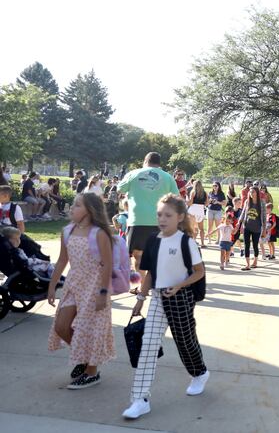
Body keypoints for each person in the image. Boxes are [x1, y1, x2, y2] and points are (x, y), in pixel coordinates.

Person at [123, 194, 209, 420]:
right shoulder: (153, 240)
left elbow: (199, 272)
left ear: (180, 217)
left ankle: (199, 373)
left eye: (168, 215)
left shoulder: (186, 242)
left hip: (181, 298)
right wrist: (140, 299)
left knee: (185, 341)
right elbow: (150, 273)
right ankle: (139, 399)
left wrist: (180, 285)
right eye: (159, 214)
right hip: (159, 299)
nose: (162, 219)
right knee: (148, 346)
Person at [46, 192, 116, 389]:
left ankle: (92, 372)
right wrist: (52, 286)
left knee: (91, 329)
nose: (71, 208)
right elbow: (62, 260)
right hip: (73, 284)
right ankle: (84, 360)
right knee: (61, 326)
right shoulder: (67, 231)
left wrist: (103, 292)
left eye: (77, 205)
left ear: (89, 210)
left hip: (94, 286)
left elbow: (107, 265)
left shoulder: (99, 233)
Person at [117, 152, 180, 284]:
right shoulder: (167, 177)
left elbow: (120, 189)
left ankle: (142, 286)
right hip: (160, 222)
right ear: (159, 163)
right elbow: (176, 198)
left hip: (137, 220)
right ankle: (152, 284)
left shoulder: (133, 174)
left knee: (137, 256)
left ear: (145, 161)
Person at [238, 186, 266, 270]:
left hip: (257, 227)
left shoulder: (261, 203)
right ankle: (247, 264)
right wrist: (239, 223)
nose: (251, 193)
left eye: (253, 192)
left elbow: (264, 216)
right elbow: (243, 213)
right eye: (250, 192)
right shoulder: (247, 202)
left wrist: (264, 229)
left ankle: (255, 262)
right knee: (246, 245)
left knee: (255, 245)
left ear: (257, 193)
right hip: (247, 226)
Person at [187, 181, 208, 248]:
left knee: (192, 228)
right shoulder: (205, 193)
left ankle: (192, 242)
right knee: (201, 229)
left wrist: (186, 202)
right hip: (201, 210)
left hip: (193, 210)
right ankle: (202, 243)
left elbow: (190, 203)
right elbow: (207, 203)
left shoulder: (193, 192)